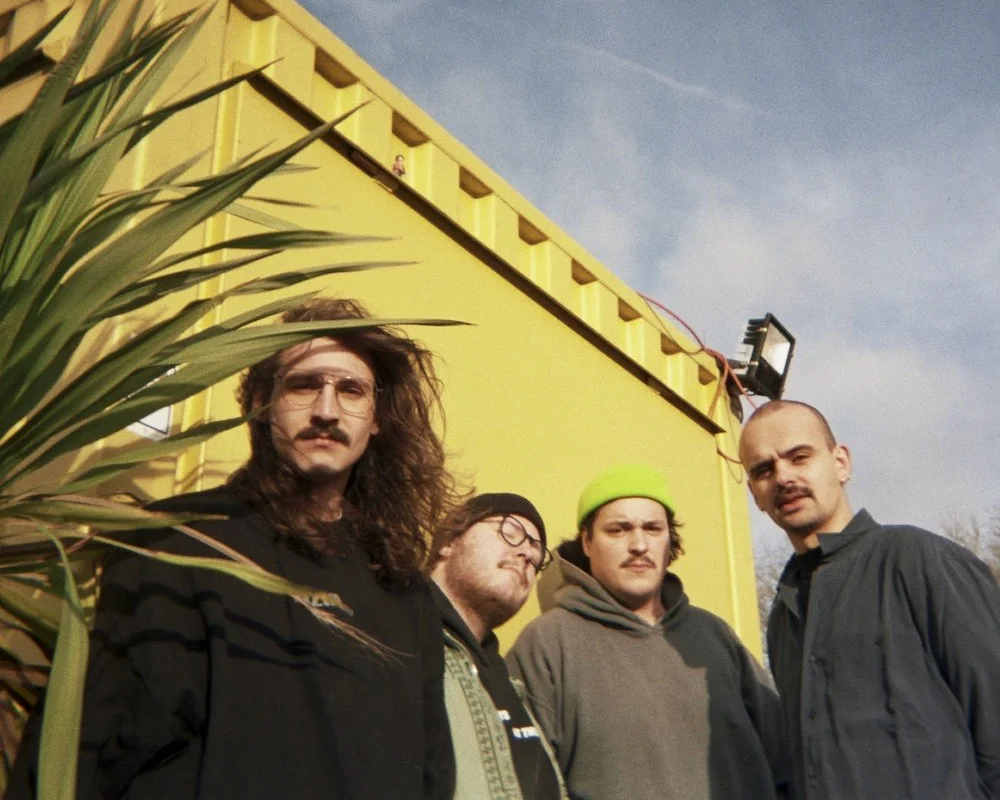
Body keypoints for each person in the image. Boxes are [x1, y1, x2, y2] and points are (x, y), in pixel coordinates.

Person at [10, 298, 458, 800]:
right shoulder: (176, 541)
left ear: (376, 419)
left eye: (351, 390)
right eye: (303, 385)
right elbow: (94, 745)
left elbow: (431, 770)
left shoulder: (402, 588)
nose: (326, 410)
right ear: (259, 404)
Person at [740, 399, 1000, 800]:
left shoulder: (917, 558)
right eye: (764, 470)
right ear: (755, 494)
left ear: (840, 462)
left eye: (799, 457)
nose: (783, 478)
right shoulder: (783, 616)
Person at [508, 464, 786, 800]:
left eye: (653, 528)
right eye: (618, 530)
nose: (639, 544)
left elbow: (784, 759)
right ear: (586, 542)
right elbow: (527, 783)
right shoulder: (547, 644)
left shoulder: (714, 635)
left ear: (669, 541)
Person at [428, 493, 567, 800]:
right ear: (448, 541)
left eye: (536, 551)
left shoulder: (506, 682)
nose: (527, 555)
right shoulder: (398, 643)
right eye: (511, 532)